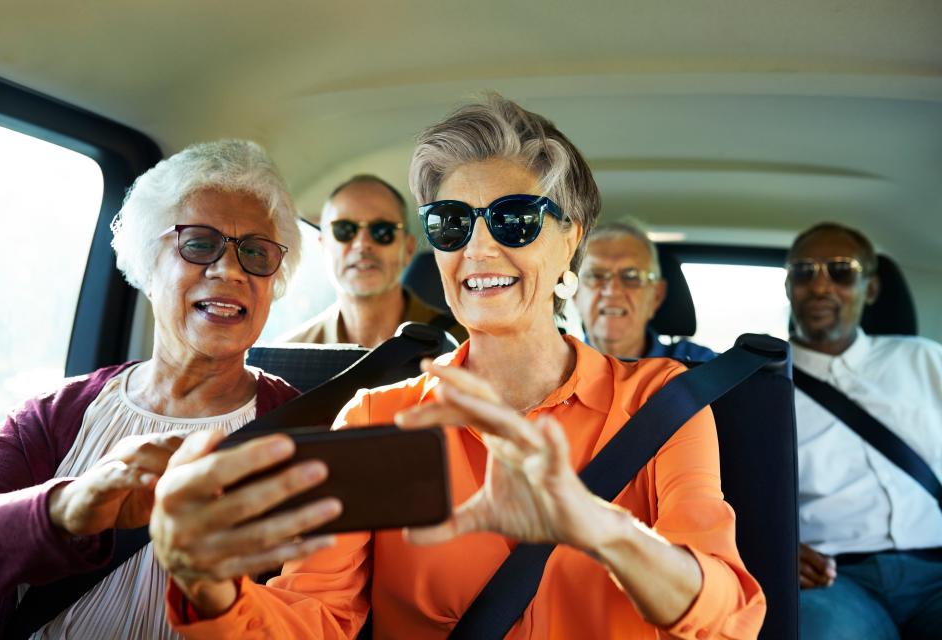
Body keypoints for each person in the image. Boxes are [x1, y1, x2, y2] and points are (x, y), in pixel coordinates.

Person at [152, 95, 765, 639]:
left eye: (515, 219)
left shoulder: (661, 403)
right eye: (451, 223)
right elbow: (318, 618)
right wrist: (210, 591)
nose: (477, 246)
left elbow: (727, 620)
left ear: (570, 241)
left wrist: (601, 528)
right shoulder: (377, 416)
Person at [0, 139, 304, 638]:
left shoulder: (310, 427)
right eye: (199, 243)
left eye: (256, 252)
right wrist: (63, 508)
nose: (229, 270)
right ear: (148, 266)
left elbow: (314, 610)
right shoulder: (49, 417)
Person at [787, 222, 942, 639]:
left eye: (841, 271)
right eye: (804, 272)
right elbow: (736, 493)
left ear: (870, 289)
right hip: (836, 581)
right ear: (788, 287)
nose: (820, 287)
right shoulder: (760, 384)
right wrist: (772, 545)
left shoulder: (926, 360)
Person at [282, 174, 466, 347]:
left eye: (382, 231)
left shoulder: (463, 346)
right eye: (344, 230)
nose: (362, 244)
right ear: (323, 246)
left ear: (408, 249)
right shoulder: (287, 358)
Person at [575, 219, 716, 361]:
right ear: (575, 294)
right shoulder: (556, 369)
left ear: (656, 296)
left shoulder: (701, 367)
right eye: (595, 275)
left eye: (631, 276)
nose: (612, 290)